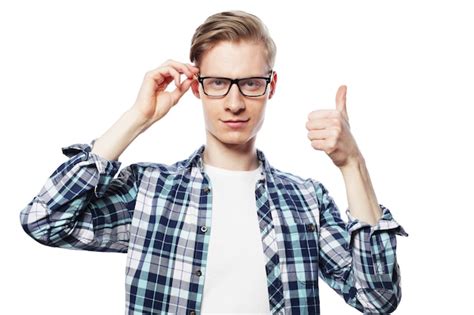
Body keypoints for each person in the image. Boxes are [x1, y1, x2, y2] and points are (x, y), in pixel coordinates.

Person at [19, 10, 408, 314]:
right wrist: (138, 118)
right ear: (197, 86)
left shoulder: (306, 200)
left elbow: (378, 298)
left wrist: (352, 164)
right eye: (218, 83)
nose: (234, 103)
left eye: (250, 83)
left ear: (270, 86)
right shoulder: (150, 193)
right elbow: (45, 221)